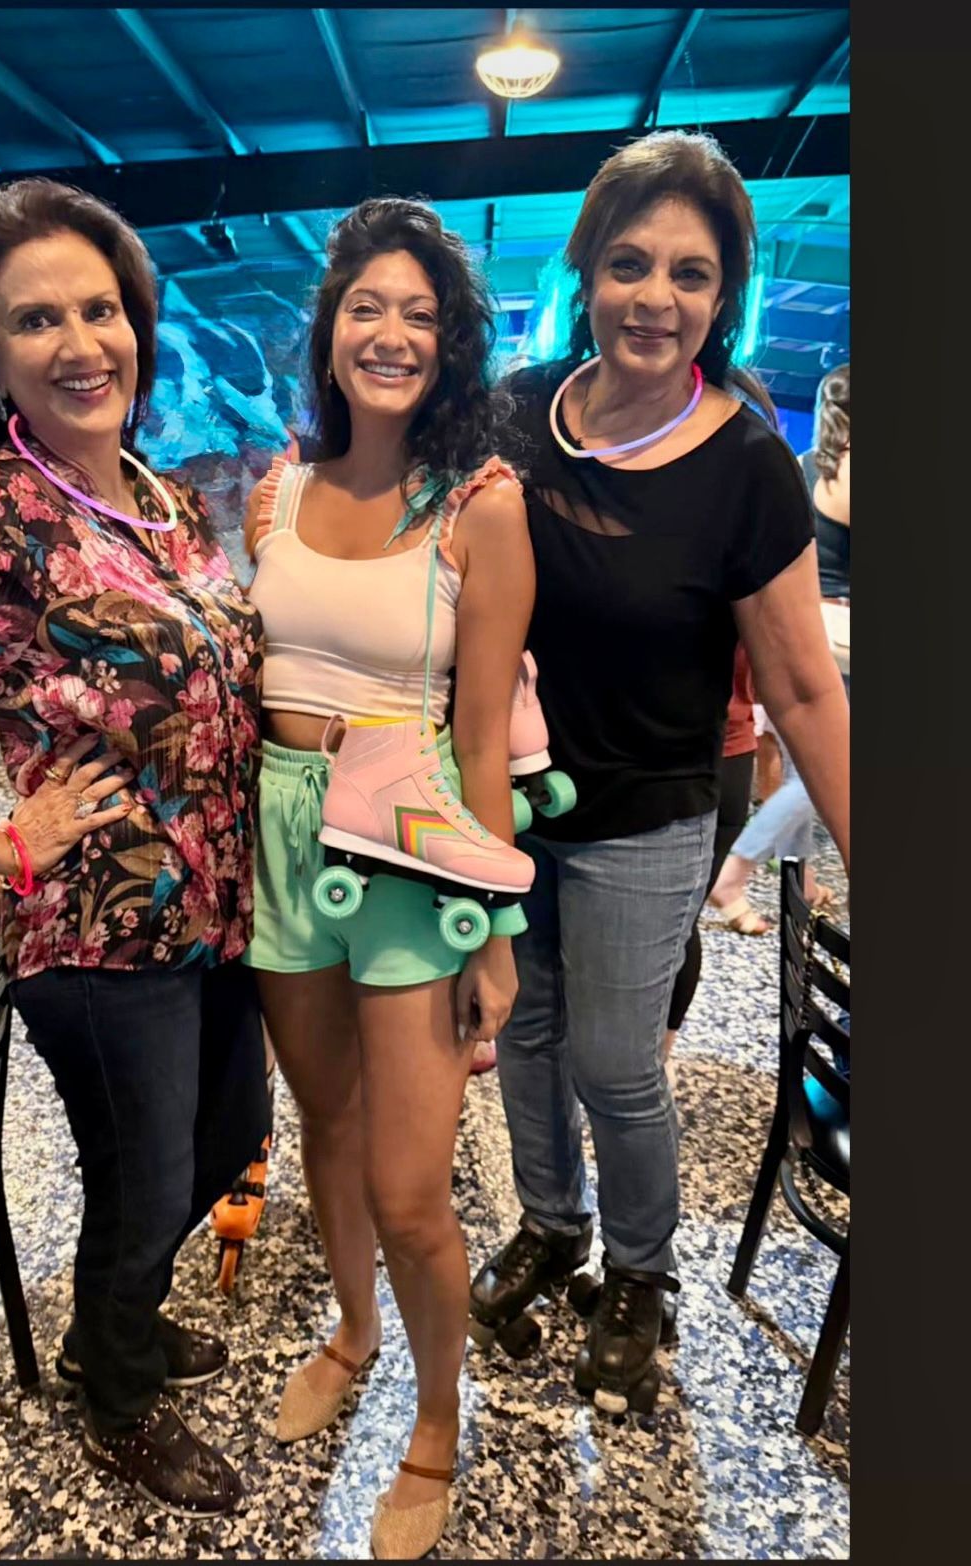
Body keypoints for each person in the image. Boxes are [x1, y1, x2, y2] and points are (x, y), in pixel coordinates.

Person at [0, 178, 266, 1517]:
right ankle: (116, 1391)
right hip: (99, 927)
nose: (79, 342)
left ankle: (122, 1315)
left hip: (221, 904)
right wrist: (4, 838)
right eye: (35, 319)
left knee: (230, 1132)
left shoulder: (163, 496)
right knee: (142, 1175)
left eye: (99, 310)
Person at [475, 130, 850, 1415]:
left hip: (648, 819)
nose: (656, 297)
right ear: (587, 270)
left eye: (691, 274)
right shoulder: (516, 415)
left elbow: (803, 686)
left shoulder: (746, 463)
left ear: (724, 293)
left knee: (615, 1062)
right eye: (630, 264)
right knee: (524, 1032)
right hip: (507, 806)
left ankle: (641, 1272)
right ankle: (552, 1224)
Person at [241, 198, 533, 1559]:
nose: (392, 333)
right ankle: (352, 1333)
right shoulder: (277, 492)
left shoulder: (481, 506)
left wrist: (495, 935)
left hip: (413, 845)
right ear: (330, 331)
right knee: (327, 1124)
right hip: (285, 830)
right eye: (368, 306)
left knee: (413, 1188)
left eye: (421, 313)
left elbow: (482, 735)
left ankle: (435, 1418)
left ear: (452, 342)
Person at [708, 363, 850, 932]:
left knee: (799, 768)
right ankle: (736, 871)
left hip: (798, 625)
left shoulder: (806, 465)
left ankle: (800, 880)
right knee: (826, 770)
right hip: (836, 633)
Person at [661, 644, 758, 1081]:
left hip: (709, 753)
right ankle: (656, 1061)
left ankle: (655, 1061)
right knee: (680, 922)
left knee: (676, 923)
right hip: (725, 752)